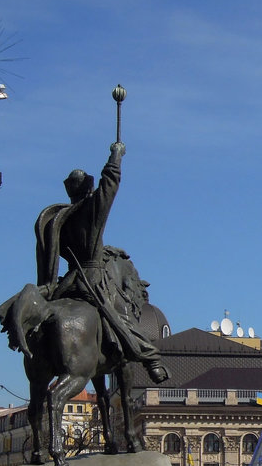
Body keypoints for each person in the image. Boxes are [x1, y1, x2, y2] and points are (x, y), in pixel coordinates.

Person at [34, 140, 167, 384]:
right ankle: (152, 359)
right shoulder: (89, 212)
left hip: (68, 283)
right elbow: (110, 184)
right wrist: (116, 156)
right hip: (93, 280)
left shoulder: (58, 220)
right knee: (122, 321)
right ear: (87, 190)